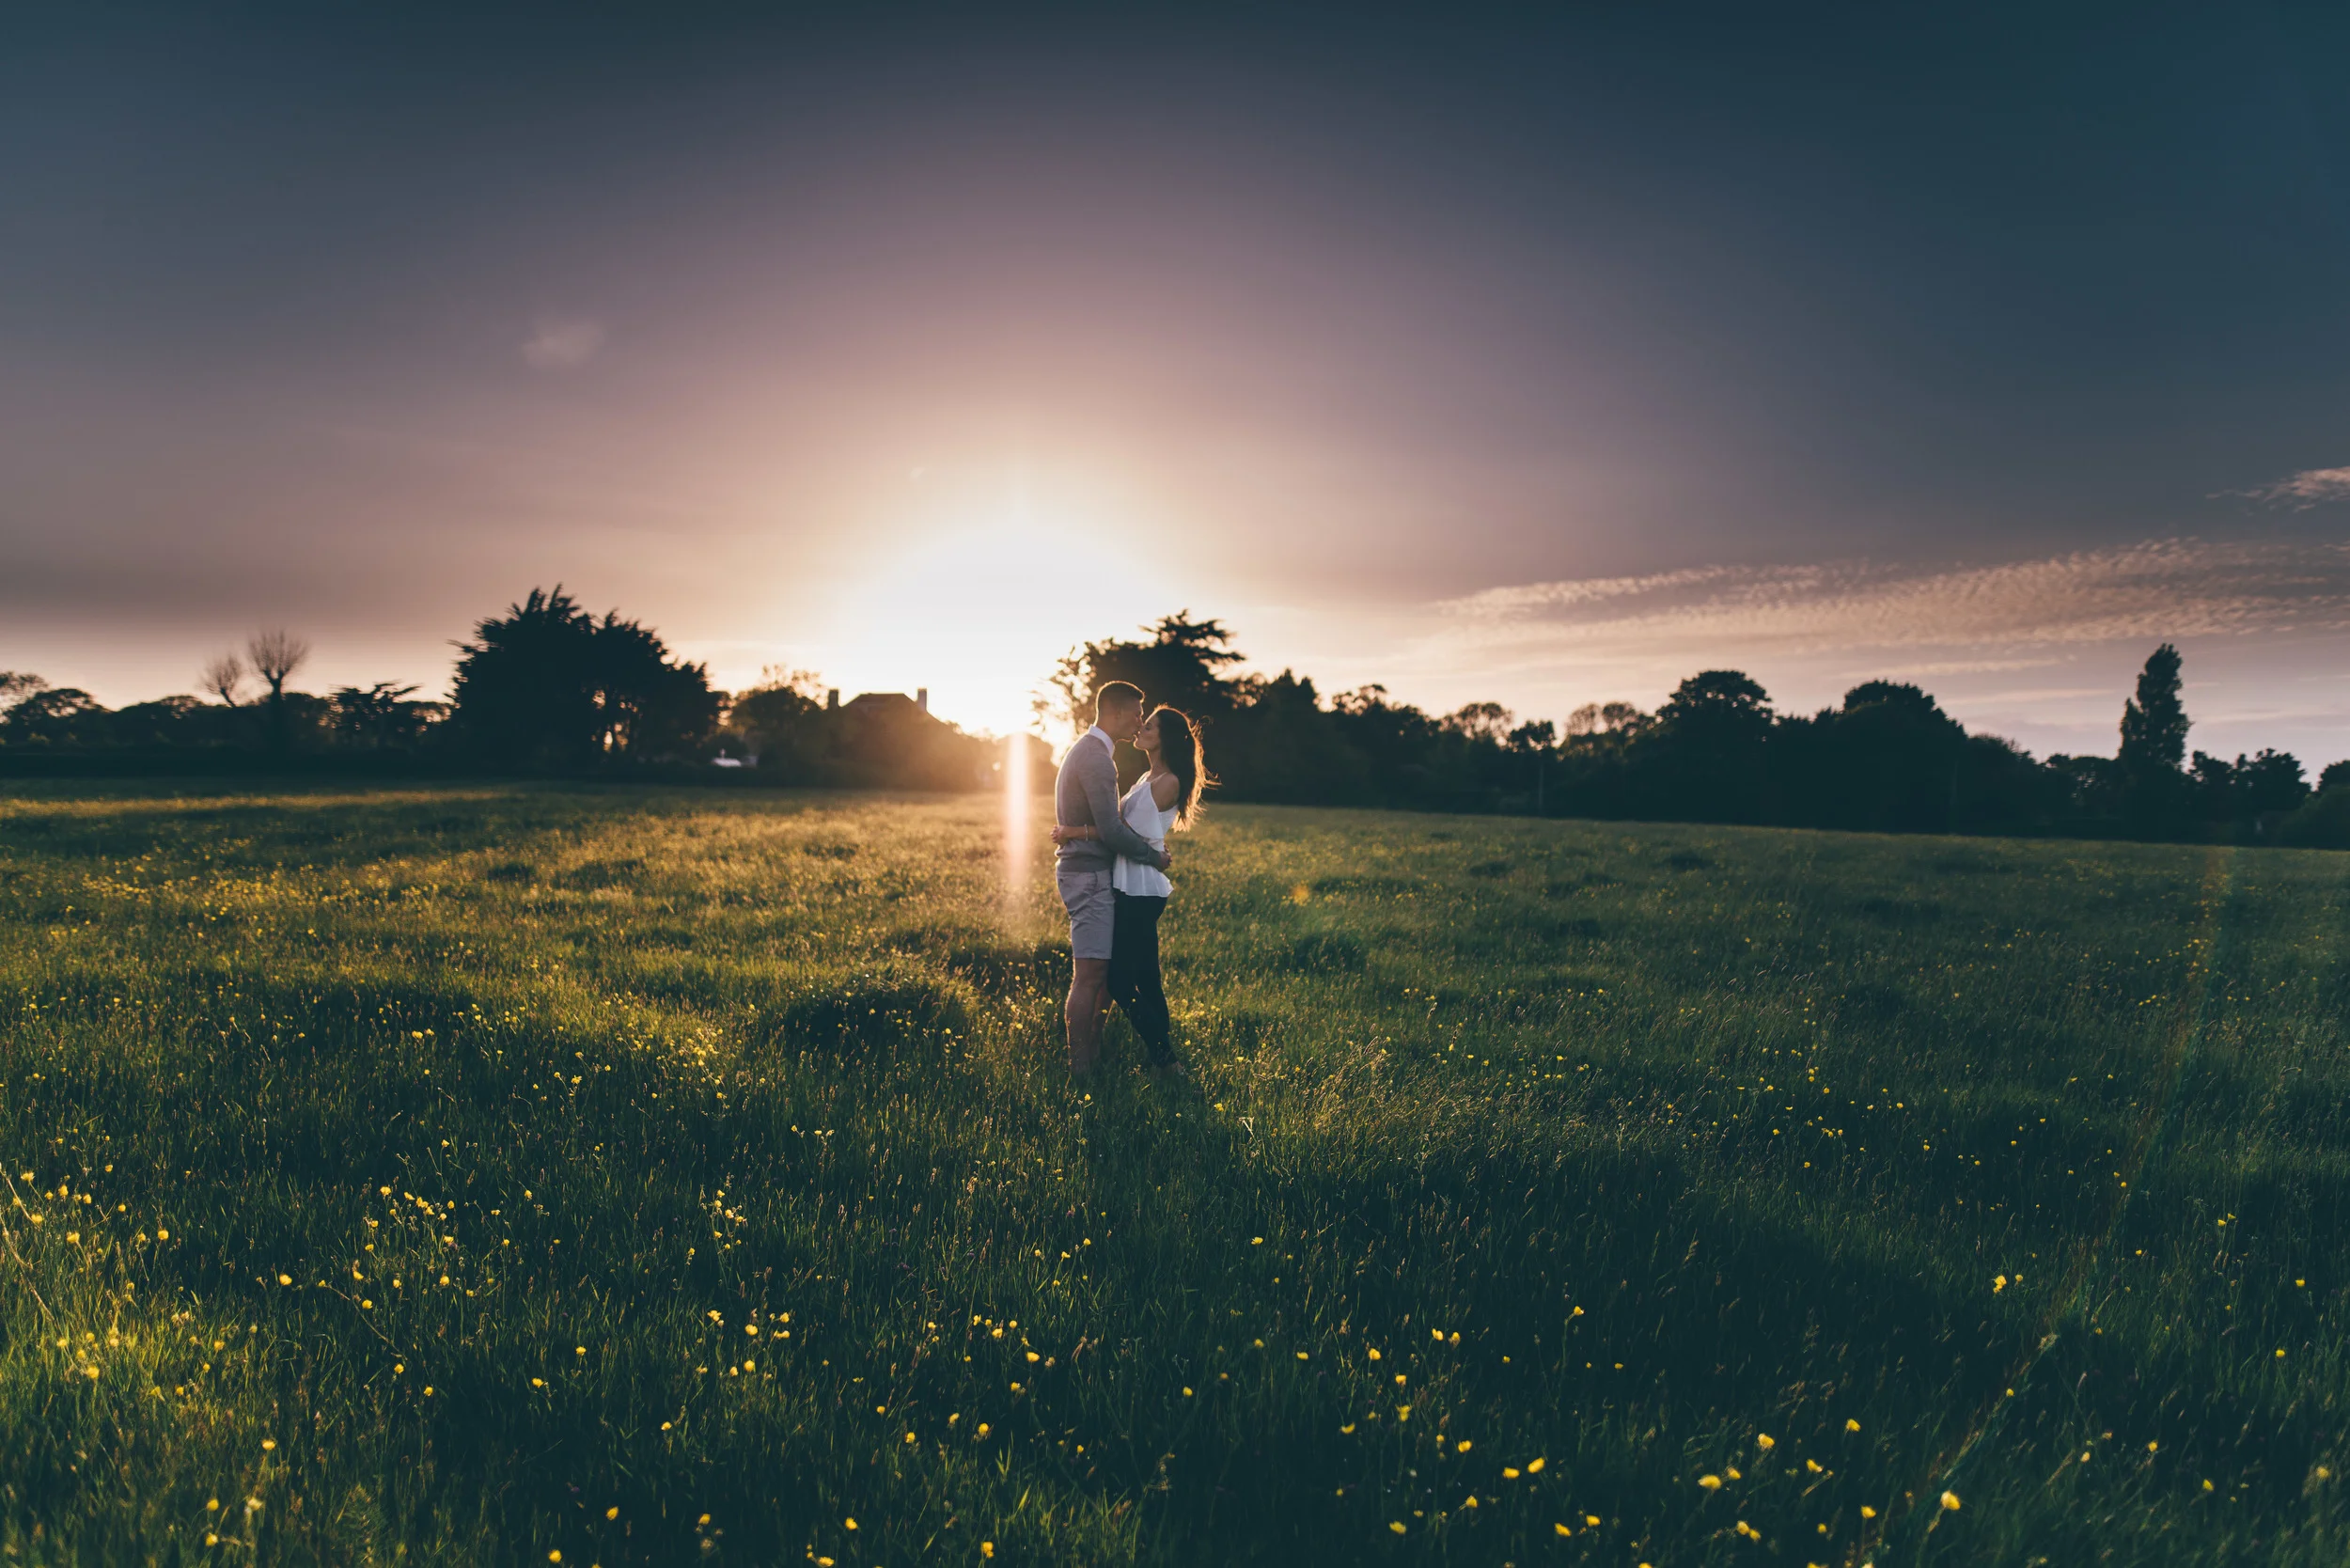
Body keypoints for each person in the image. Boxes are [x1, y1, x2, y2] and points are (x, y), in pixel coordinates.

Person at [1054, 703, 1209, 1073]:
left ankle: (1166, 1059)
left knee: (1120, 982)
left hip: (1141, 891)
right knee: (1149, 980)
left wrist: (1076, 831)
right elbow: (1121, 828)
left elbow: (1122, 833)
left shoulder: (1168, 781)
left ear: (1165, 738)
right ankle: (1163, 1061)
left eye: (1150, 726)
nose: (1141, 728)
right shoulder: (1146, 777)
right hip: (1131, 885)